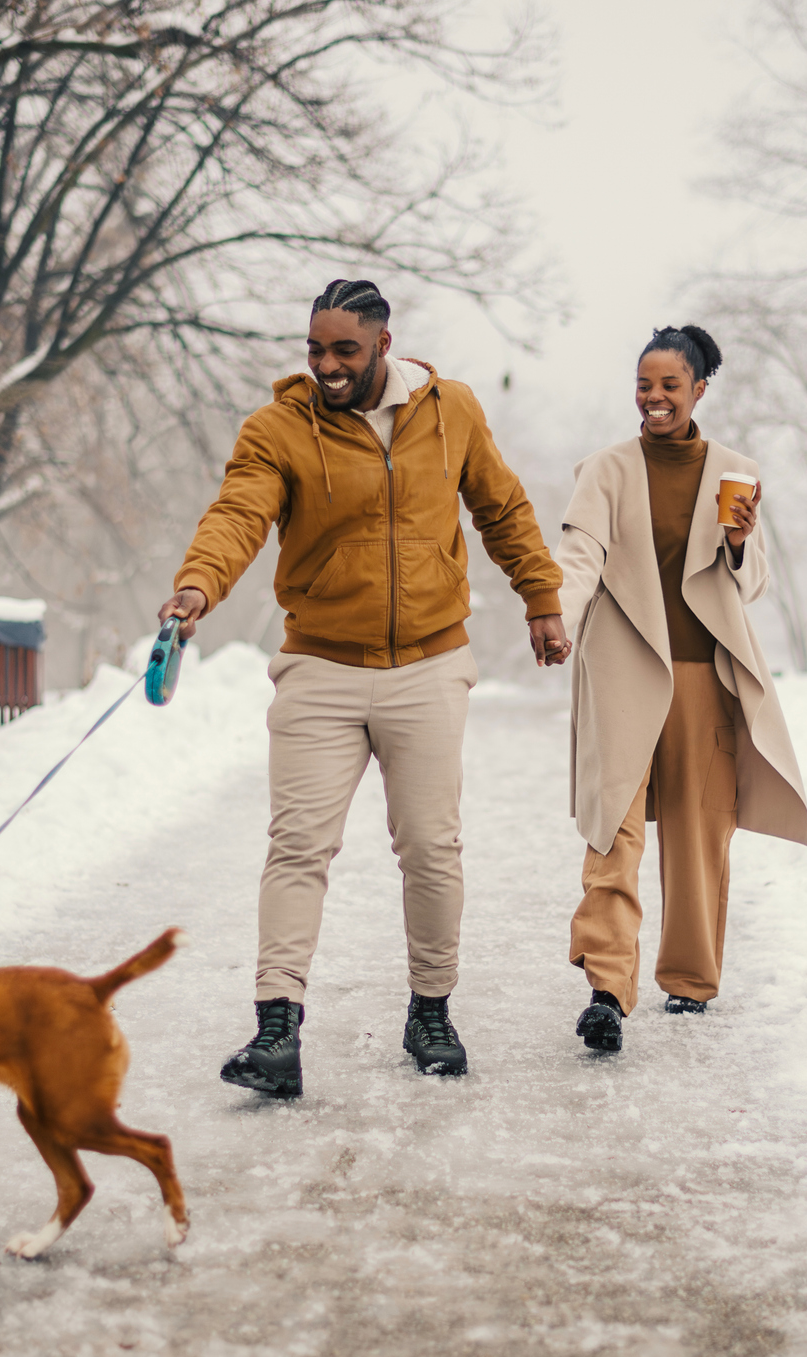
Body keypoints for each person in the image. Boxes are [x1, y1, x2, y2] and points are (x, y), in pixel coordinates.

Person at [157, 279, 571, 1097]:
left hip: (426, 663)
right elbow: (238, 513)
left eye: (343, 349)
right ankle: (277, 1027)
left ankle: (430, 1012)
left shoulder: (450, 411)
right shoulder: (279, 428)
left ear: (384, 343)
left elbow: (503, 509)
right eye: (314, 350)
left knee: (429, 846)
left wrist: (542, 600)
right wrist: (197, 585)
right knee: (298, 846)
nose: (326, 365)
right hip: (319, 667)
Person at [554, 325, 807, 1052]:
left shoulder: (735, 471)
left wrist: (737, 540)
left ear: (699, 389)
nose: (654, 398)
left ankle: (690, 978)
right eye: (644, 384)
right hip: (621, 672)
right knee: (615, 828)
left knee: (702, 834)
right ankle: (608, 986)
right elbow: (579, 556)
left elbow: (751, 582)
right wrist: (557, 616)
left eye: (670, 385)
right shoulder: (604, 471)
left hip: (703, 675)